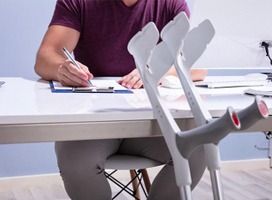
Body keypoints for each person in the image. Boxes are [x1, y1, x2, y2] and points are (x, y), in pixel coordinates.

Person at [34, 0, 207, 199]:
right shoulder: (78, 2)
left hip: (151, 124)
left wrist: (157, 70)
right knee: (75, 158)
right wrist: (61, 69)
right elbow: (45, 56)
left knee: (198, 145)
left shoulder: (172, 4)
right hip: (93, 123)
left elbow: (195, 66)